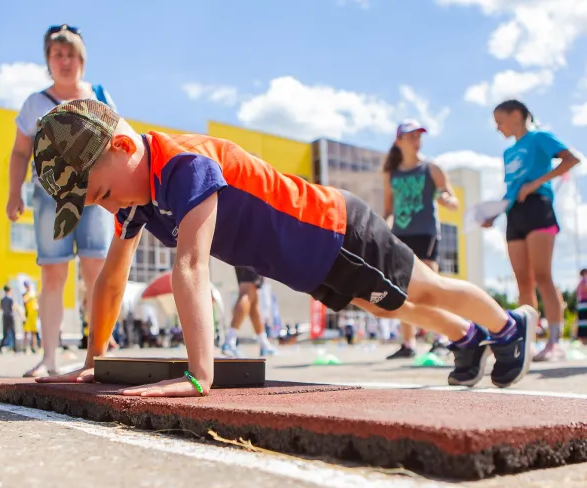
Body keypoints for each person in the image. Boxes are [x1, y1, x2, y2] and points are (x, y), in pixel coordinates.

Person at [28, 99, 538, 397]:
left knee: (425, 287)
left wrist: (199, 375)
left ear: (121, 148)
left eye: (101, 194)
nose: (106, 207)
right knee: (380, 302)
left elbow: (190, 265)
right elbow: (112, 279)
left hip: (337, 231)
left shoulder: (185, 166)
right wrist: (99, 361)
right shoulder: (136, 198)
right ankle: (467, 336)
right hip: (307, 262)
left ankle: (508, 325)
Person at [6, 24, 116, 378]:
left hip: (96, 195)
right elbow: (21, 151)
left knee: (96, 269)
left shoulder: (99, 95)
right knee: (53, 273)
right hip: (49, 194)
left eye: (71, 54)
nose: (65, 60)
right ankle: (49, 357)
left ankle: (100, 351)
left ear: (82, 60)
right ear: (48, 61)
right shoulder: (35, 103)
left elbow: (119, 143)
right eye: (58, 54)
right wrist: (13, 193)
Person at [483, 100, 580, 362]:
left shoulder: (539, 137)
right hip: (514, 214)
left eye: (499, 120)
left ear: (516, 115)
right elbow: (511, 189)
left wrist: (537, 182)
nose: (497, 128)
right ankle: (529, 343)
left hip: (539, 207)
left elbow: (572, 159)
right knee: (522, 281)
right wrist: (493, 213)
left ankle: (555, 342)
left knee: (542, 276)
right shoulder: (508, 153)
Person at [383, 120, 459, 361]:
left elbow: (452, 200)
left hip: (426, 233)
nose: (416, 140)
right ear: (399, 141)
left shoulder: (431, 168)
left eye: (419, 136)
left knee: (430, 288)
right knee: (401, 289)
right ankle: (408, 343)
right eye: (411, 136)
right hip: (400, 235)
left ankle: (440, 339)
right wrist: (384, 228)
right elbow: (388, 209)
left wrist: (446, 199)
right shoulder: (391, 174)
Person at [221, 268, 275, 357]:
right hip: (252, 254)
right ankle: (229, 341)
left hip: (241, 255)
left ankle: (264, 344)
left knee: (252, 295)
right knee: (246, 292)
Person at [0, 285, 17, 353]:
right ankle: (15, 348)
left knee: (5, 333)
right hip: (10, 316)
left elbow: (0, 307)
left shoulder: (2, 299)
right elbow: (13, 307)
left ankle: (0, 346)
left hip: (5, 316)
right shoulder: (11, 299)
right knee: (13, 332)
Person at [577, 269, 587, 345]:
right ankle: (583, 339)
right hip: (584, 303)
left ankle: (584, 339)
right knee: (584, 321)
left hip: (583, 303)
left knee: (583, 321)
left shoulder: (582, 282)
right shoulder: (583, 281)